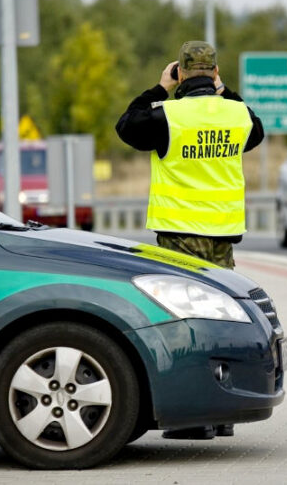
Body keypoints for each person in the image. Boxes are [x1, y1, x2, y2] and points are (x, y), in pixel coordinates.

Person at [115, 40, 264, 439]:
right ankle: (223, 414)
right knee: (224, 319)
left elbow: (126, 125)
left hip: (181, 235)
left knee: (186, 324)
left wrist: (159, 89)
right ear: (214, 73)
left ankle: (195, 419)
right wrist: (225, 91)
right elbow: (257, 131)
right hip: (223, 238)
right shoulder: (238, 113)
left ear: (179, 72)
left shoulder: (167, 115)